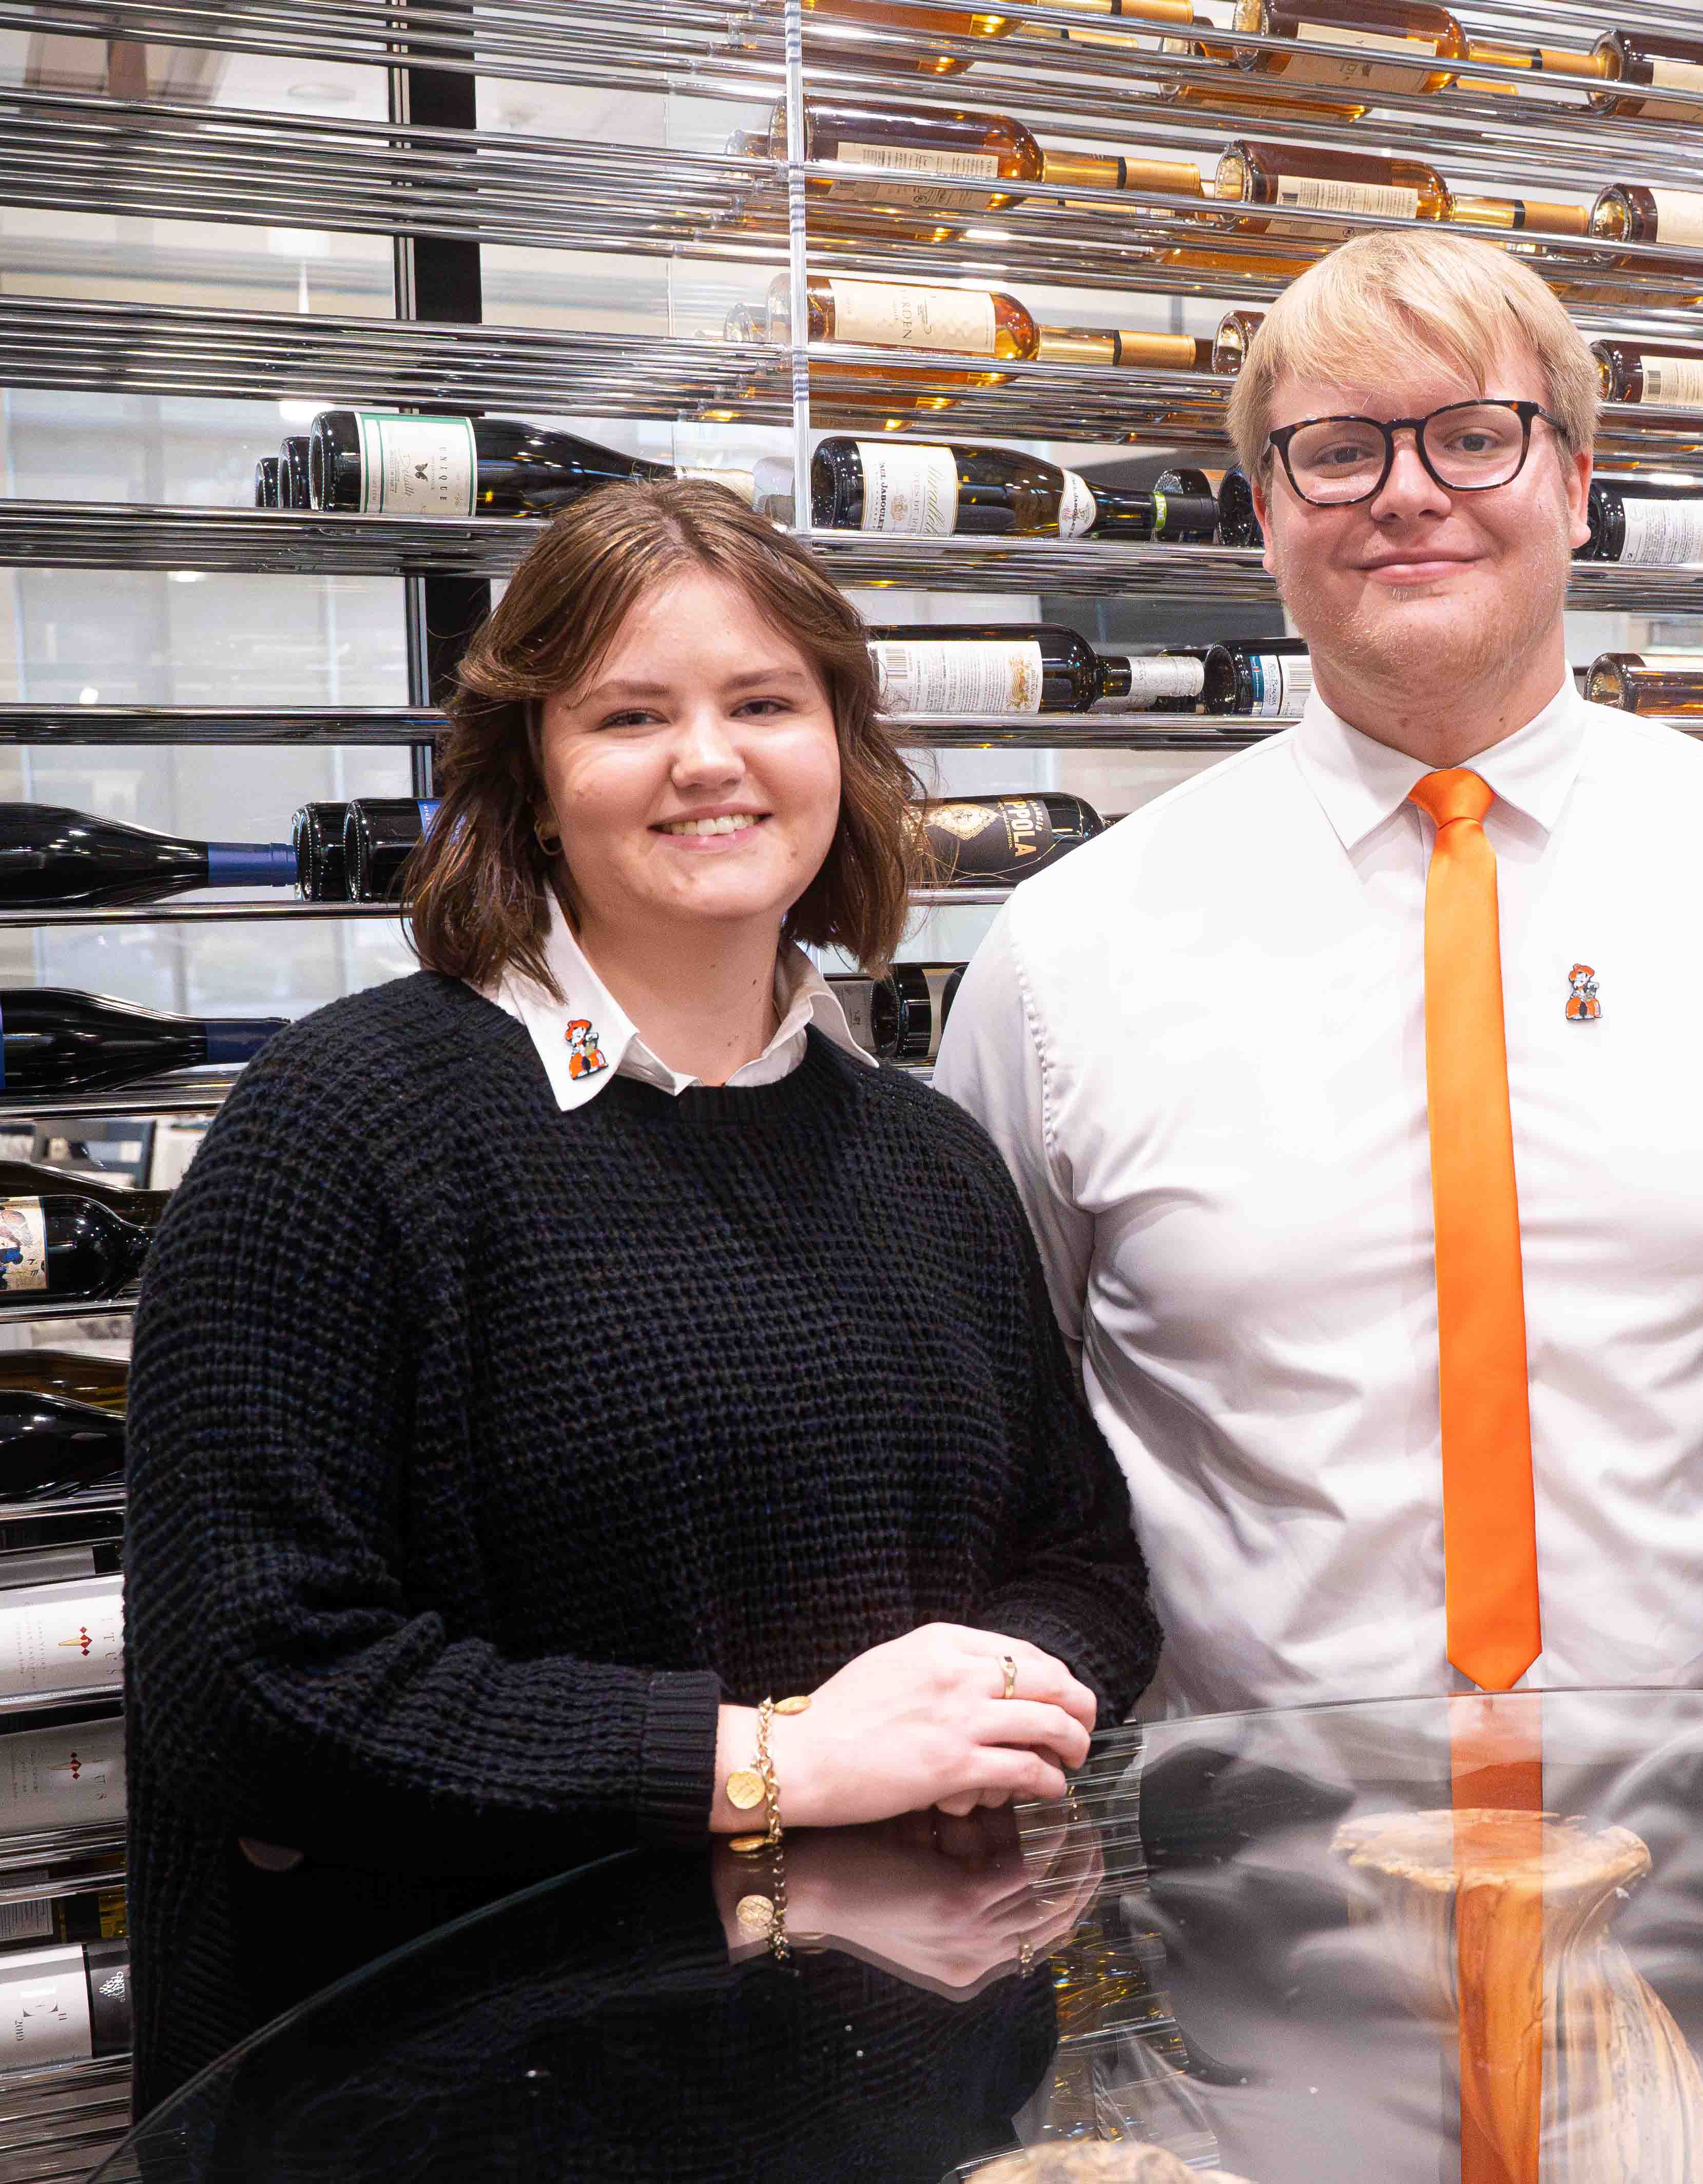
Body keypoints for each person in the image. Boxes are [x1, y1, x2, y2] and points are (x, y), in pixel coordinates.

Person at [124, 480, 1158, 2107]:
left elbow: (1081, 1562)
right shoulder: (347, 1130)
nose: (707, 759)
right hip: (470, 2106)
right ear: (531, 781)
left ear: (843, 750)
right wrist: (774, 1761)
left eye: (764, 702)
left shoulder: (922, 1153)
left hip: (891, 2080)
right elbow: (253, 1686)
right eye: (628, 713)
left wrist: (997, 1692)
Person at [938, 229, 1703, 1714]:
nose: (1406, 493)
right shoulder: (1065, 960)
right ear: (1264, 514)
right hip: (1248, 1871)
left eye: (1474, 437)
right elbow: (998, 1437)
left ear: (1578, 487)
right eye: (1336, 452)